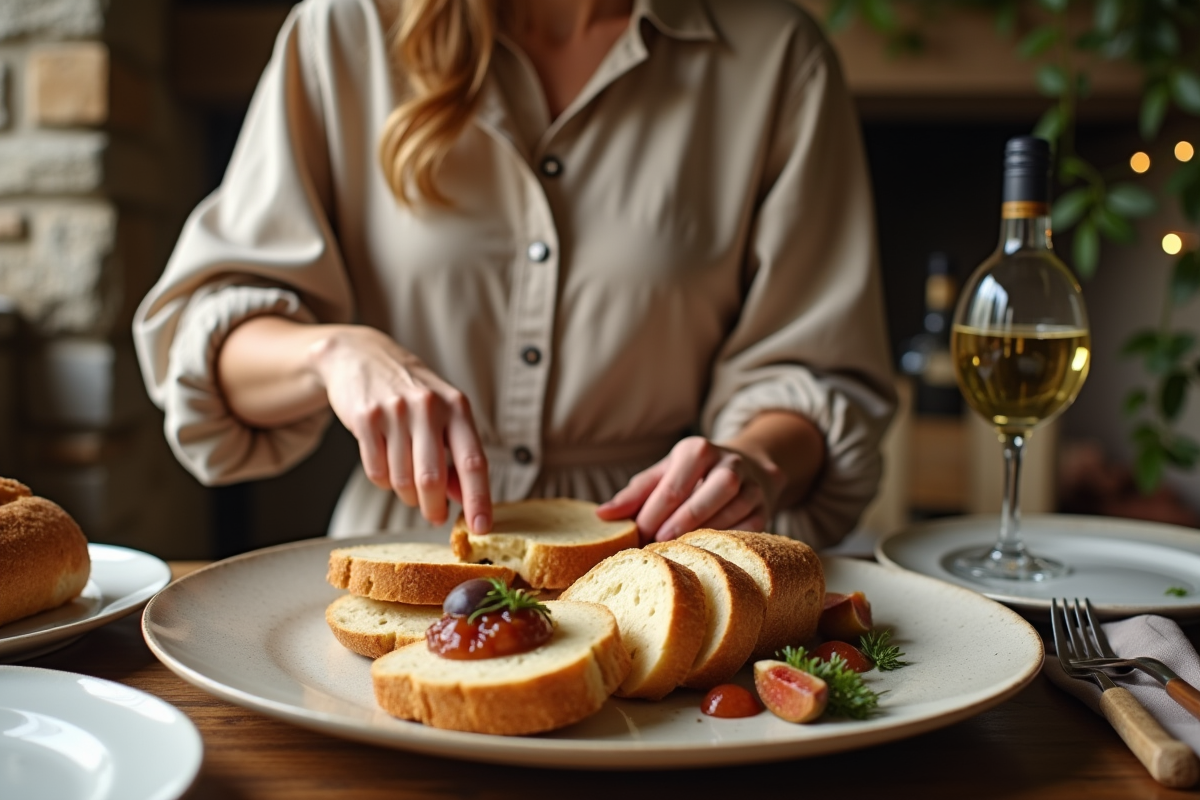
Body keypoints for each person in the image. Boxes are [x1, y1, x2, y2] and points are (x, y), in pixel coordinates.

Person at [132, 0, 895, 548]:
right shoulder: (344, 30)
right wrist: (332, 353)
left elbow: (816, 370)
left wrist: (753, 461)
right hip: (411, 552)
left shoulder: (777, 57)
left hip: (655, 553)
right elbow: (206, 345)